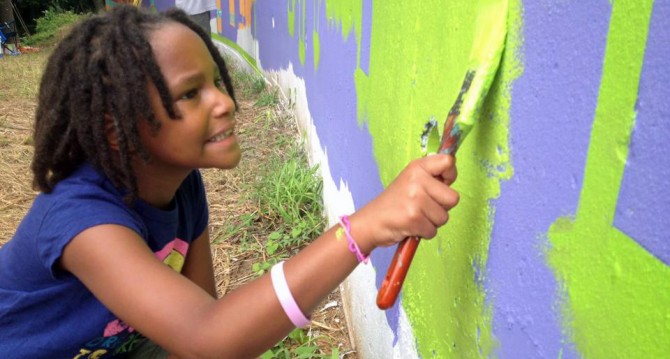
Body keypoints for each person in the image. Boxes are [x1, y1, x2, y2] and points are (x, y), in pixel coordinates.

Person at [0, 5, 459, 359]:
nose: (224, 102)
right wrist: (362, 229)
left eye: (217, 81)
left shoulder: (183, 188)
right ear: (114, 126)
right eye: (190, 93)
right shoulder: (81, 221)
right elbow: (209, 337)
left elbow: (203, 331)